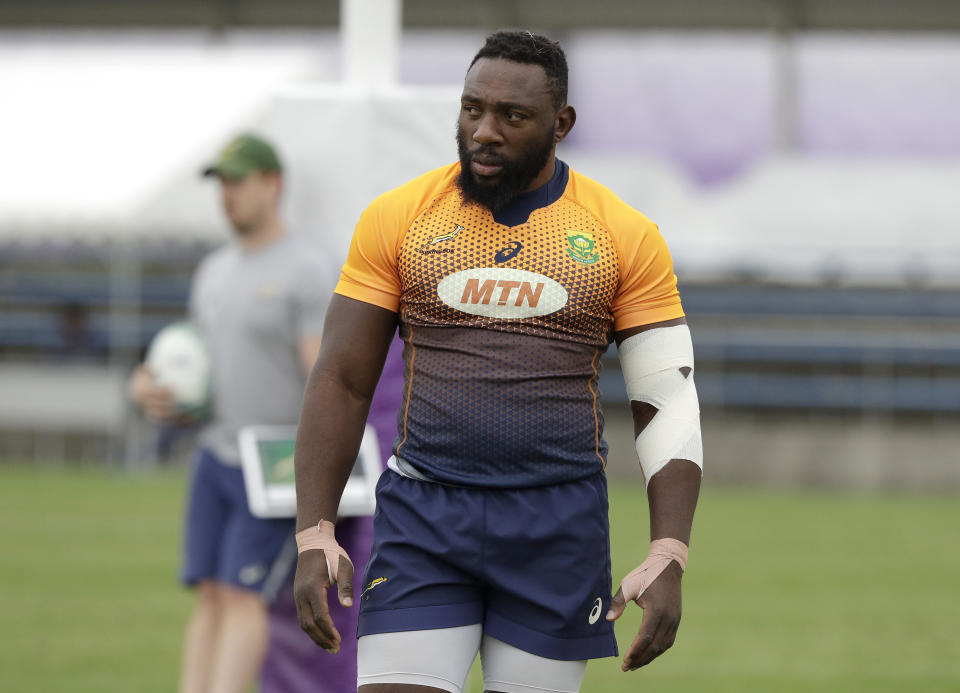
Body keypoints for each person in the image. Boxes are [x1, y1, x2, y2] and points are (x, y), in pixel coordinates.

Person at [292, 31, 703, 693]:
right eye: (471, 109)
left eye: (513, 116)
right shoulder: (399, 218)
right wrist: (314, 529)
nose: (485, 131)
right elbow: (340, 379)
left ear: (561, 124)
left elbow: (668, 394)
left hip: (557, 524)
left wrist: (670, 549)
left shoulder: (624, 235)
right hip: (425, 514)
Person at [128, 133, 386, 693]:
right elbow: (199, 367)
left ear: (273, 184)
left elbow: (329, 378)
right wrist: (153, 387)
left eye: (238, 181)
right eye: (220, 182)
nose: (227, 194)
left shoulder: (308, 267)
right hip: (214, 455)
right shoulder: (213, 271)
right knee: (212, 593)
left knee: (244, 596)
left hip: (272, 464)